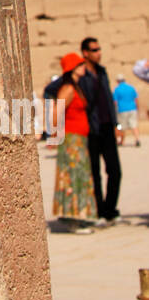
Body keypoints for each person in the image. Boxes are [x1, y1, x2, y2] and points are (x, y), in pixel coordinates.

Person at [76, 37, 122, 224]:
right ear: (85, 53)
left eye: (99, 49)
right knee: (94, 172)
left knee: (115, 170)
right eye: (95, 50)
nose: (99, 53)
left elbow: (109, 100)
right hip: (91, 130)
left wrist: (116, 124)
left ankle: (110, 209)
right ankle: (99, 210)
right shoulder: (81, 75)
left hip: (106, 127)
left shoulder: (102, 72)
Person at [51, 52, 95, 232]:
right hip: (71, 140)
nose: (84, 67)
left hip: (78, 139)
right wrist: (54, 135)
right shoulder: (68, 88)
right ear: (73, 69)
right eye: (80, 65)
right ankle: (74, 219)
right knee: (73, 178)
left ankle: (80, 216)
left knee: (80, 177)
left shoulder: (76, 87)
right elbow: (55, 113)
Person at [113, 73, 140, 147]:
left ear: (117, 81)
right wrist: (137, 108)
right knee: (134, 125)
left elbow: (115, 102)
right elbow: (136, 99)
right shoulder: (131, 87)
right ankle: (137, 139)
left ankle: (121, 141)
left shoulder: (117, 89)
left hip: (122, 110)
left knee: (120, 126)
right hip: (132, 109)